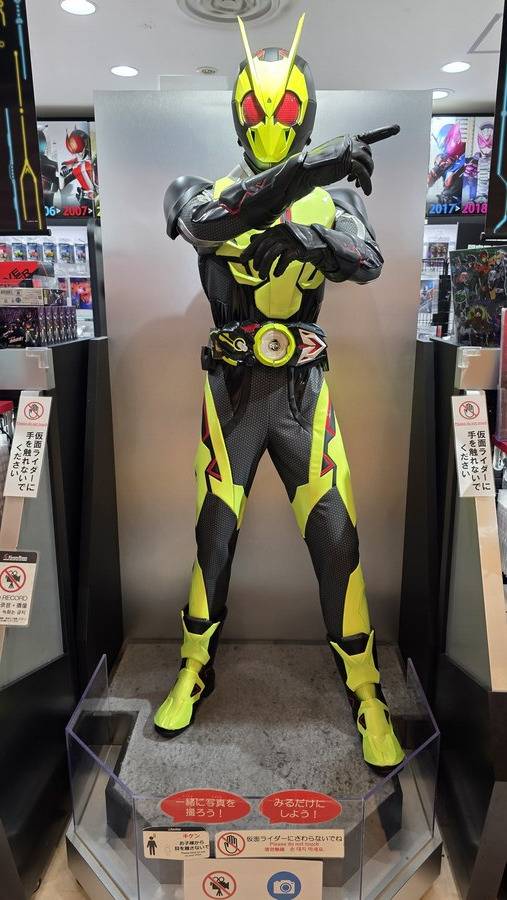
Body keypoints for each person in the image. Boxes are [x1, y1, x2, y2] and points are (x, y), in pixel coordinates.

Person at [155, 14, 405, 773]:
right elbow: (208, 224)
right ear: (238, 112)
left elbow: (367, 260)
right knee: (213, 535)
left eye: (287, 108)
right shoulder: (197, 189)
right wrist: (307, 172)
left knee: (336, 539)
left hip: (301, 394)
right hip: (233, 392)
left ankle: (364, 686)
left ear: (307, 111)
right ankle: (193, 666)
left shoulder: (334, 202)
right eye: (260, 109)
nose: (271, 122)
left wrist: (304, 235)